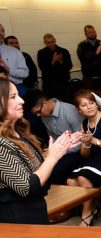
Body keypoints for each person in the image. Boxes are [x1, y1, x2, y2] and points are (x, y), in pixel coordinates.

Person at [0, 78, 80, 224]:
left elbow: (38, 171)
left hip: (35, 211)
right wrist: (52, 157)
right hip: (17, 220)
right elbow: (26, 187)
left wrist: (61, 149)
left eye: (18, 95)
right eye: (13, 97)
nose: (21, 101)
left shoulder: (18, 132)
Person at [67, 89, 101, 226]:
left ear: (96, 104)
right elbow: (85, 154)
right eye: (84, 105)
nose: (89, 107)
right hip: (94, 161)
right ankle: (92, 208)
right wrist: (86, 143)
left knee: (82, 178)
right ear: (79, 110)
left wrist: (94, 141)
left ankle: (86, 215)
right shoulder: (84, 124)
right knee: (70, 181)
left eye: (91, 103)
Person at [25, 88, 84, 184]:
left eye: (38, 111)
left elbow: (82, 140)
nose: (38, 115)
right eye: (35, 114)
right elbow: (53, 138)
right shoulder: (44, 116)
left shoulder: (70, 111)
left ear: (44, 102)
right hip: (62, 151)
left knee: (53, 171)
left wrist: (60, 151)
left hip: (77, 151)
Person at [37, 33, 73, 103]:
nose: (51, 44)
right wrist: (52, 62)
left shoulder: (64, 51)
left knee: (66, 103)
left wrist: (61, 62)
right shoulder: (41, 53)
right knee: (52, 106)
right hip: (49, 85)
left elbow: (70, 66)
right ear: (45, 43)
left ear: (55, 40)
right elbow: (42, 68)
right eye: (48, 42)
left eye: (52, 42)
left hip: (63, 83)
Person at [76, 25, 101, 90]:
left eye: (93, 32)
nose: (92, 34)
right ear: (85, 34)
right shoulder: (82, 45)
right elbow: (82, 58)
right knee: (90, 97)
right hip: (88, 77)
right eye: (89, 32)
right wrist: (96, 53)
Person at [0, 24, 30, 94]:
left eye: (2, 31)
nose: (1, 33)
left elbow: (25, 73)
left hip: (16, 88)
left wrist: (9, 69)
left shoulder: (15, 52)